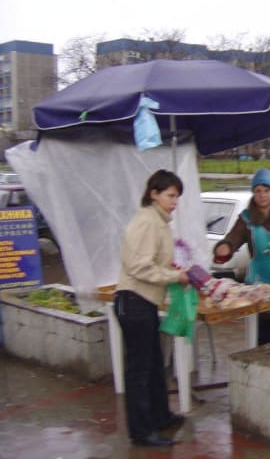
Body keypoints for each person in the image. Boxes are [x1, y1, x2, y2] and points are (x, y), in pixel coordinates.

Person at [114, 169, 190, 447]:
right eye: (170, 195)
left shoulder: (159, 222)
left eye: (177, 196)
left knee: (156, 364)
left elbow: (154, 261)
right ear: (153, 194)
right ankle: (141, 431)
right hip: (134, 300)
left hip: (145, 301)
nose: (175, 202)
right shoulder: (147, 221)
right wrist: (175, 276)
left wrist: (175, 270)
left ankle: (160, 416)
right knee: (140, 369)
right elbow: (139, 266)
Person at [213, 168, 270, 345]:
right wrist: (224, 247)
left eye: (267, 190)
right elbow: (233, 238)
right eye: (258, 191)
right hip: (261, 286)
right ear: (253, 193)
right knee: (265, 339)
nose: (262, 195)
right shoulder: (246, 219)